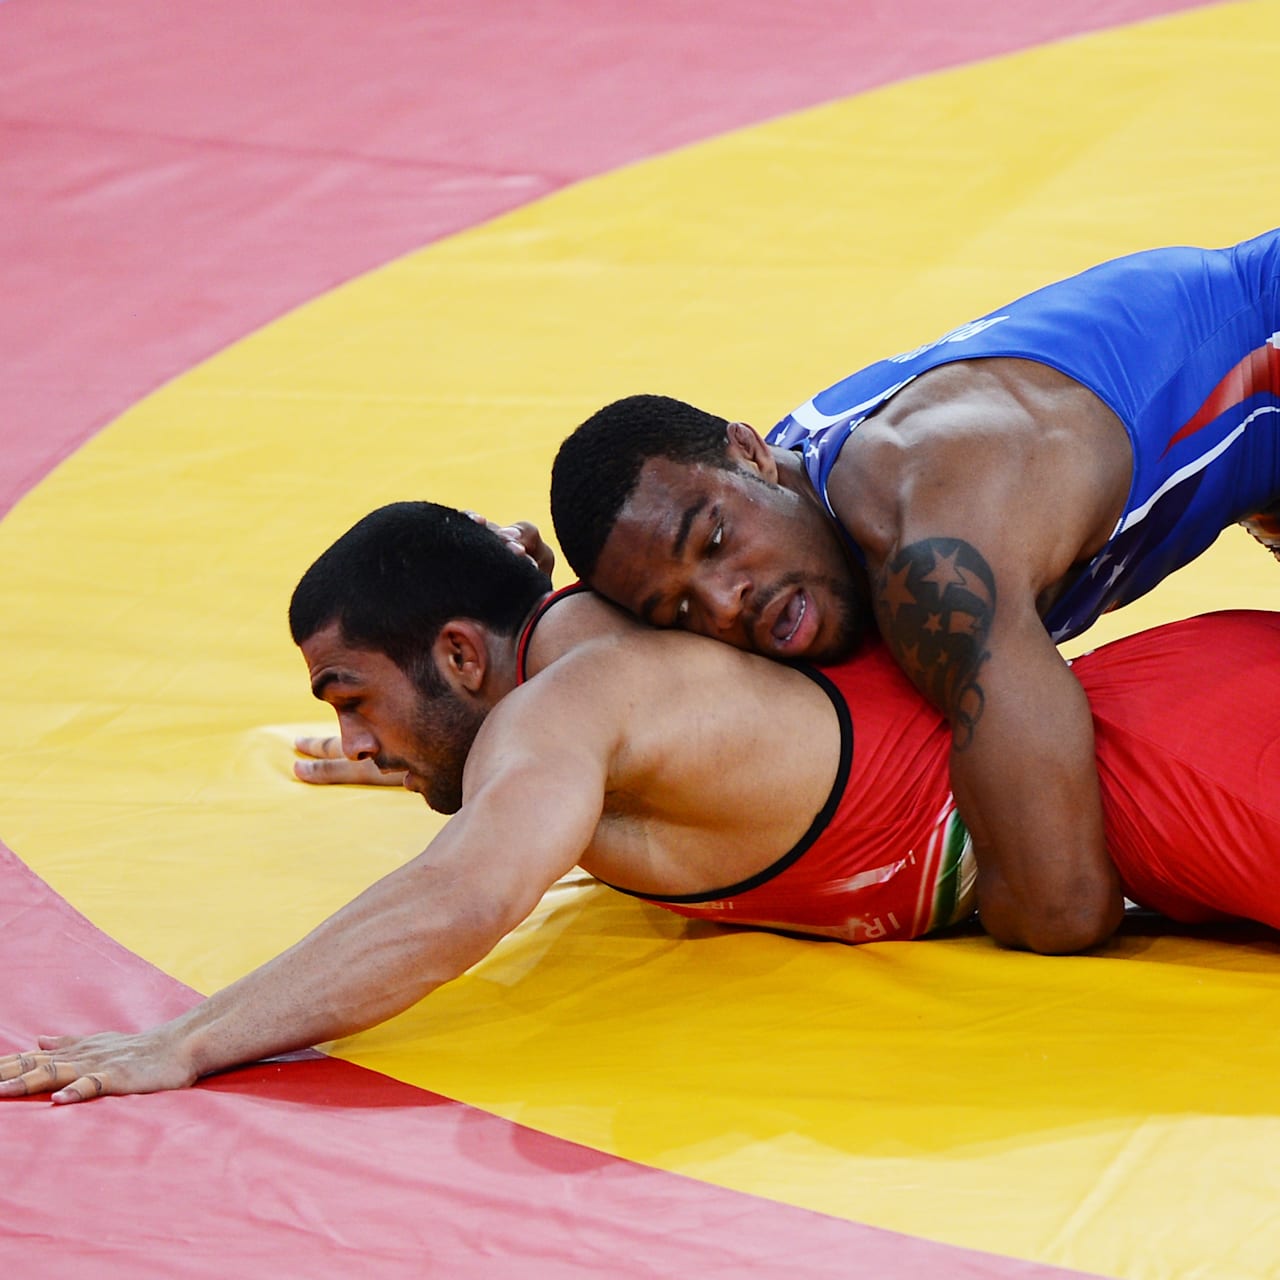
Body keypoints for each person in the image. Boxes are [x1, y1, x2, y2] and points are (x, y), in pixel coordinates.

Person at [5, 500, 1280, 1105]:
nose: (354, 735)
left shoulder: (570, 704)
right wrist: (418, 755)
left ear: (462, 657)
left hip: (1158, 761)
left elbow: (459, 898)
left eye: (356, 697)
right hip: (1163, 717)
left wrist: (188, 1037)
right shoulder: (580, 654)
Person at [548, 228, 1280, 954]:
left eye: (712, 542)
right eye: (678, 611)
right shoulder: (803, 483)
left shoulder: (928, 548)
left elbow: (1061, 907)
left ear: (749, 454)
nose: (724, 601)